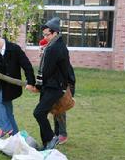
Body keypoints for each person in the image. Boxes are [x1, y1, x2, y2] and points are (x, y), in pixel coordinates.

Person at [0, 26, 36, 138]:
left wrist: (30, 82)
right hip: (0, 86)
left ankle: (6, 129)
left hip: (12, 86)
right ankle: (16, 137)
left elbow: (27, 66)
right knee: (8, 112)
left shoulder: (15, 49)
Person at [33, 17, 71, 150]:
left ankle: (51, 138)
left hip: (54, 88)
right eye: (43, 35)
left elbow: (46, 71)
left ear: (55, 33)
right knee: (41, 113)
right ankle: (46, 145)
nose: (45, 37)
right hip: (51, 86)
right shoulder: (54, 45)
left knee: (38, 113)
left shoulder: (54, 48)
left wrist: (37, 86)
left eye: (47, 34)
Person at [38, 38, 76, 145]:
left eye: (42, 48)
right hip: (54, 88)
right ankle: (57, 133)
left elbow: (68, 75)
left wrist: (68, 89)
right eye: (40, 49)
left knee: (60, 109)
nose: (40, 51)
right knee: (55, 109)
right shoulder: (47, 58)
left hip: (63, 87)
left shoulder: (56, 56)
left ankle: (63, 134)